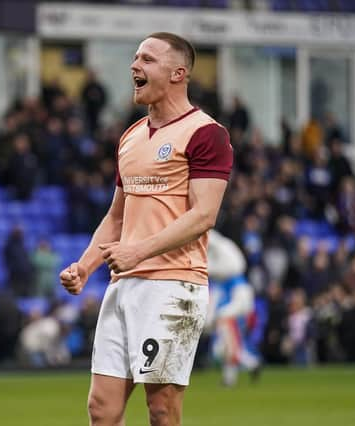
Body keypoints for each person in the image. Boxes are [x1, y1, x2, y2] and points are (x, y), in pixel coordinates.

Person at [59, 32, 233, 426]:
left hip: (174, 286)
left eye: (147, 59)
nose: (135, 66)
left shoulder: (207, 133)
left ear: (178, 73)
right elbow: (117, 216)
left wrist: (138, 251)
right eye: (135, 58)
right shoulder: (131, 137)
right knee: (101, 410)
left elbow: (204, 215)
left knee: (161, 411)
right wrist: (85, 267)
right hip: (123, 285)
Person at [206, 230, 261, 387]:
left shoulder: (224, 253)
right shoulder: (221, 283)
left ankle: (246, 368)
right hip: (231, 301)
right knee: (223, 347)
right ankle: (249, 366)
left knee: (228, 343)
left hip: (236, 303)